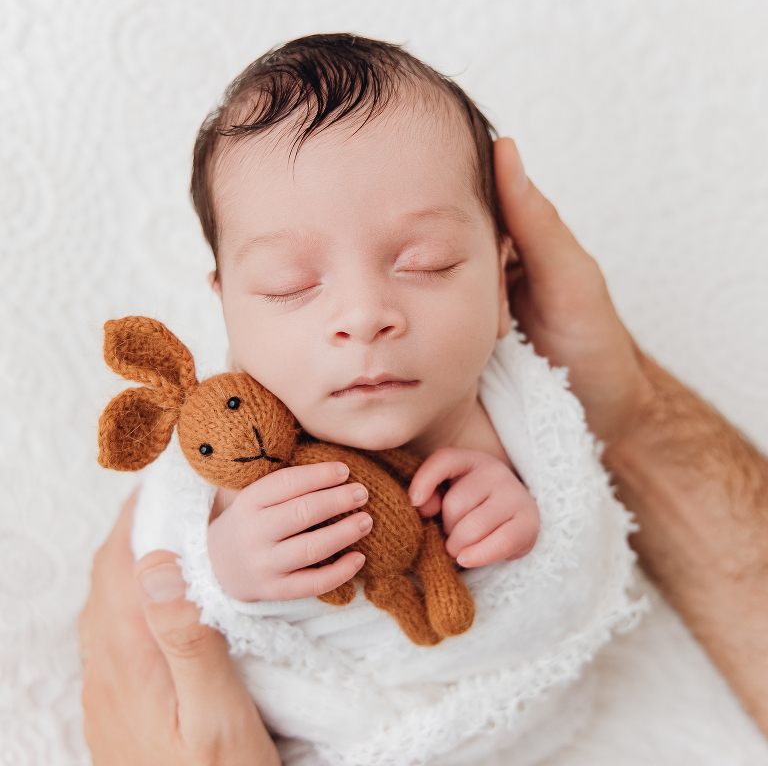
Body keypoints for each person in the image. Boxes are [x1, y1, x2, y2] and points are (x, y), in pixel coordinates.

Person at [80, 50, 768, 766]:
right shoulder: (235, 439)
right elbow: (172, 559)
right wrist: (226, 568)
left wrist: (520, 520)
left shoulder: (519, 418)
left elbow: (571, 545)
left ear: (505, 286)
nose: (363, 315)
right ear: (227, 311)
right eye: (288, 285)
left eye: (426, 263)